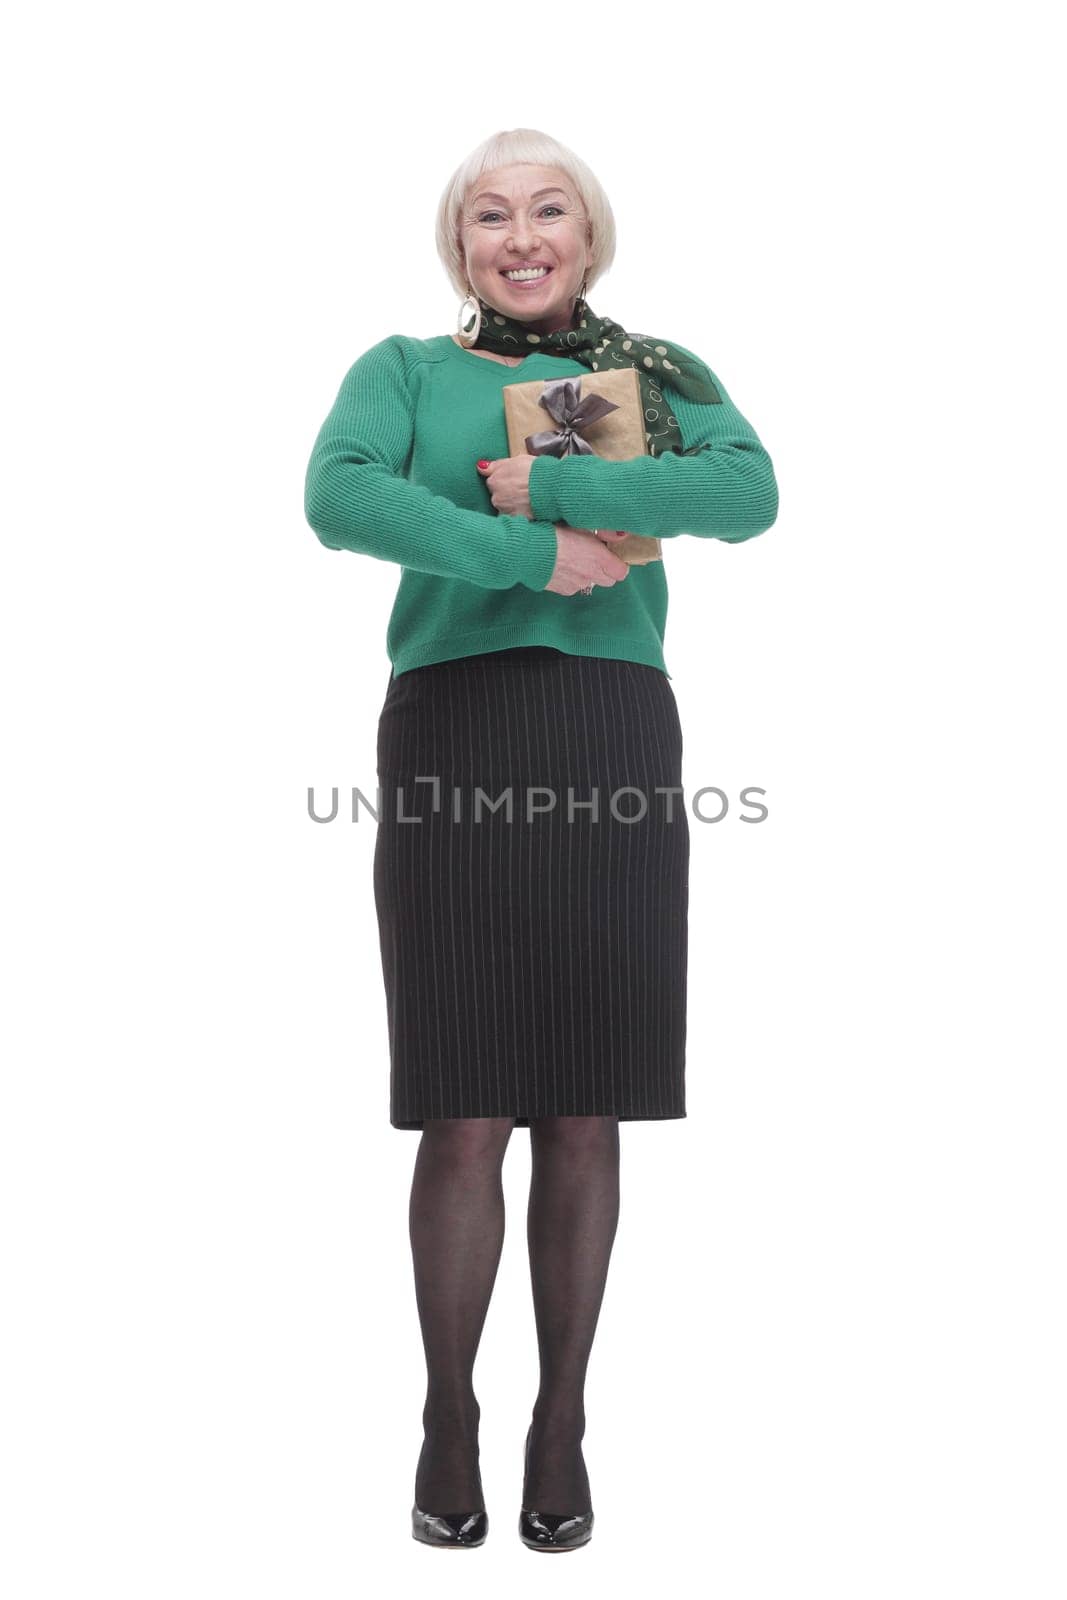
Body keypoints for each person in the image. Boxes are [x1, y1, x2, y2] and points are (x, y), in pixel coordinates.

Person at [303, 127, 778, 1552]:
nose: (521, 235)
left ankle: (559, 1416)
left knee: (584, 1102)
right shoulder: (403, 370)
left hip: (612, 732)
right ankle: (449, 1409)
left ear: (589, 232)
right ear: (461, 244)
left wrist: (564, 490)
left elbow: (745, 492)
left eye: (548, 209)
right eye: (490, 214)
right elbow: (339, 495)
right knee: (466, 1101)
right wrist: (523, 555)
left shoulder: (663, 374)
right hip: (454, 729)